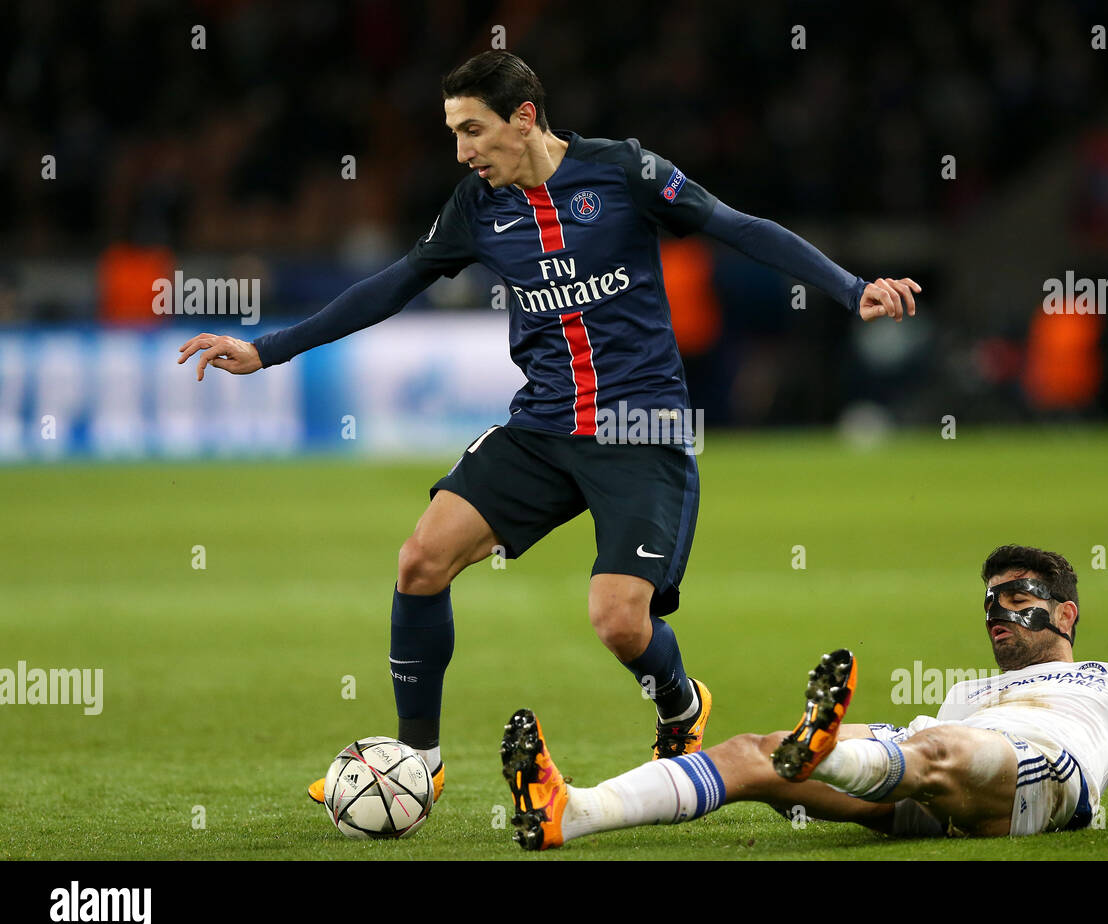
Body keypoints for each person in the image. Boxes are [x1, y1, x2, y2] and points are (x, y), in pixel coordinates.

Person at [176, 51, 921, 805]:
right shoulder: (475, 206)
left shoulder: (624, 172)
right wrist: (268, 348)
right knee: (420, 562)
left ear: (524, 118)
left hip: (640, 426)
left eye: (473, 130)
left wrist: (851, 287)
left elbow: (738, 227)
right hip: (542, 426)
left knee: (618, 621)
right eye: (453, 133)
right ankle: (418, 759)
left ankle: (678, 702)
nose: (462, 152)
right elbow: (395, 282)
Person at [501, 544, 1108, 849]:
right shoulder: (968, 688)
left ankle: (833, 750)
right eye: (988, 600)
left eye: (1016, 596)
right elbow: (920, 781)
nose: (997, 612)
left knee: (935, 751)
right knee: (750, 753)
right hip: (925, 776)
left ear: (1066, 612)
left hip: (1041, 776)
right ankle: (577, 809)